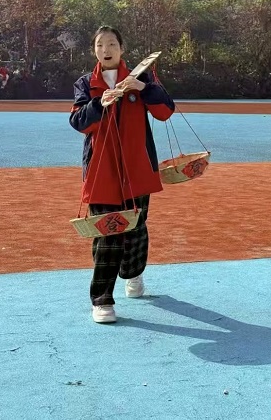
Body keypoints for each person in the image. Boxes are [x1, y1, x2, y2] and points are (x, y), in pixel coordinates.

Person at [69, 26, 175, 323]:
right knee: (106, 233)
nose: (106, 49)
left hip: (137, 168)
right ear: (94, 50)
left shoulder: (142, 78)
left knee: (136, 228)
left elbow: (166, 111)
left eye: (112, 44)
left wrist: (142, 88)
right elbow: (78, 122)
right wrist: (98, 104)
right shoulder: (85, 84)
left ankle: (133, 272)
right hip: (101, 172)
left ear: (121, 48)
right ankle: (102, 299)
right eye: (100, 45)